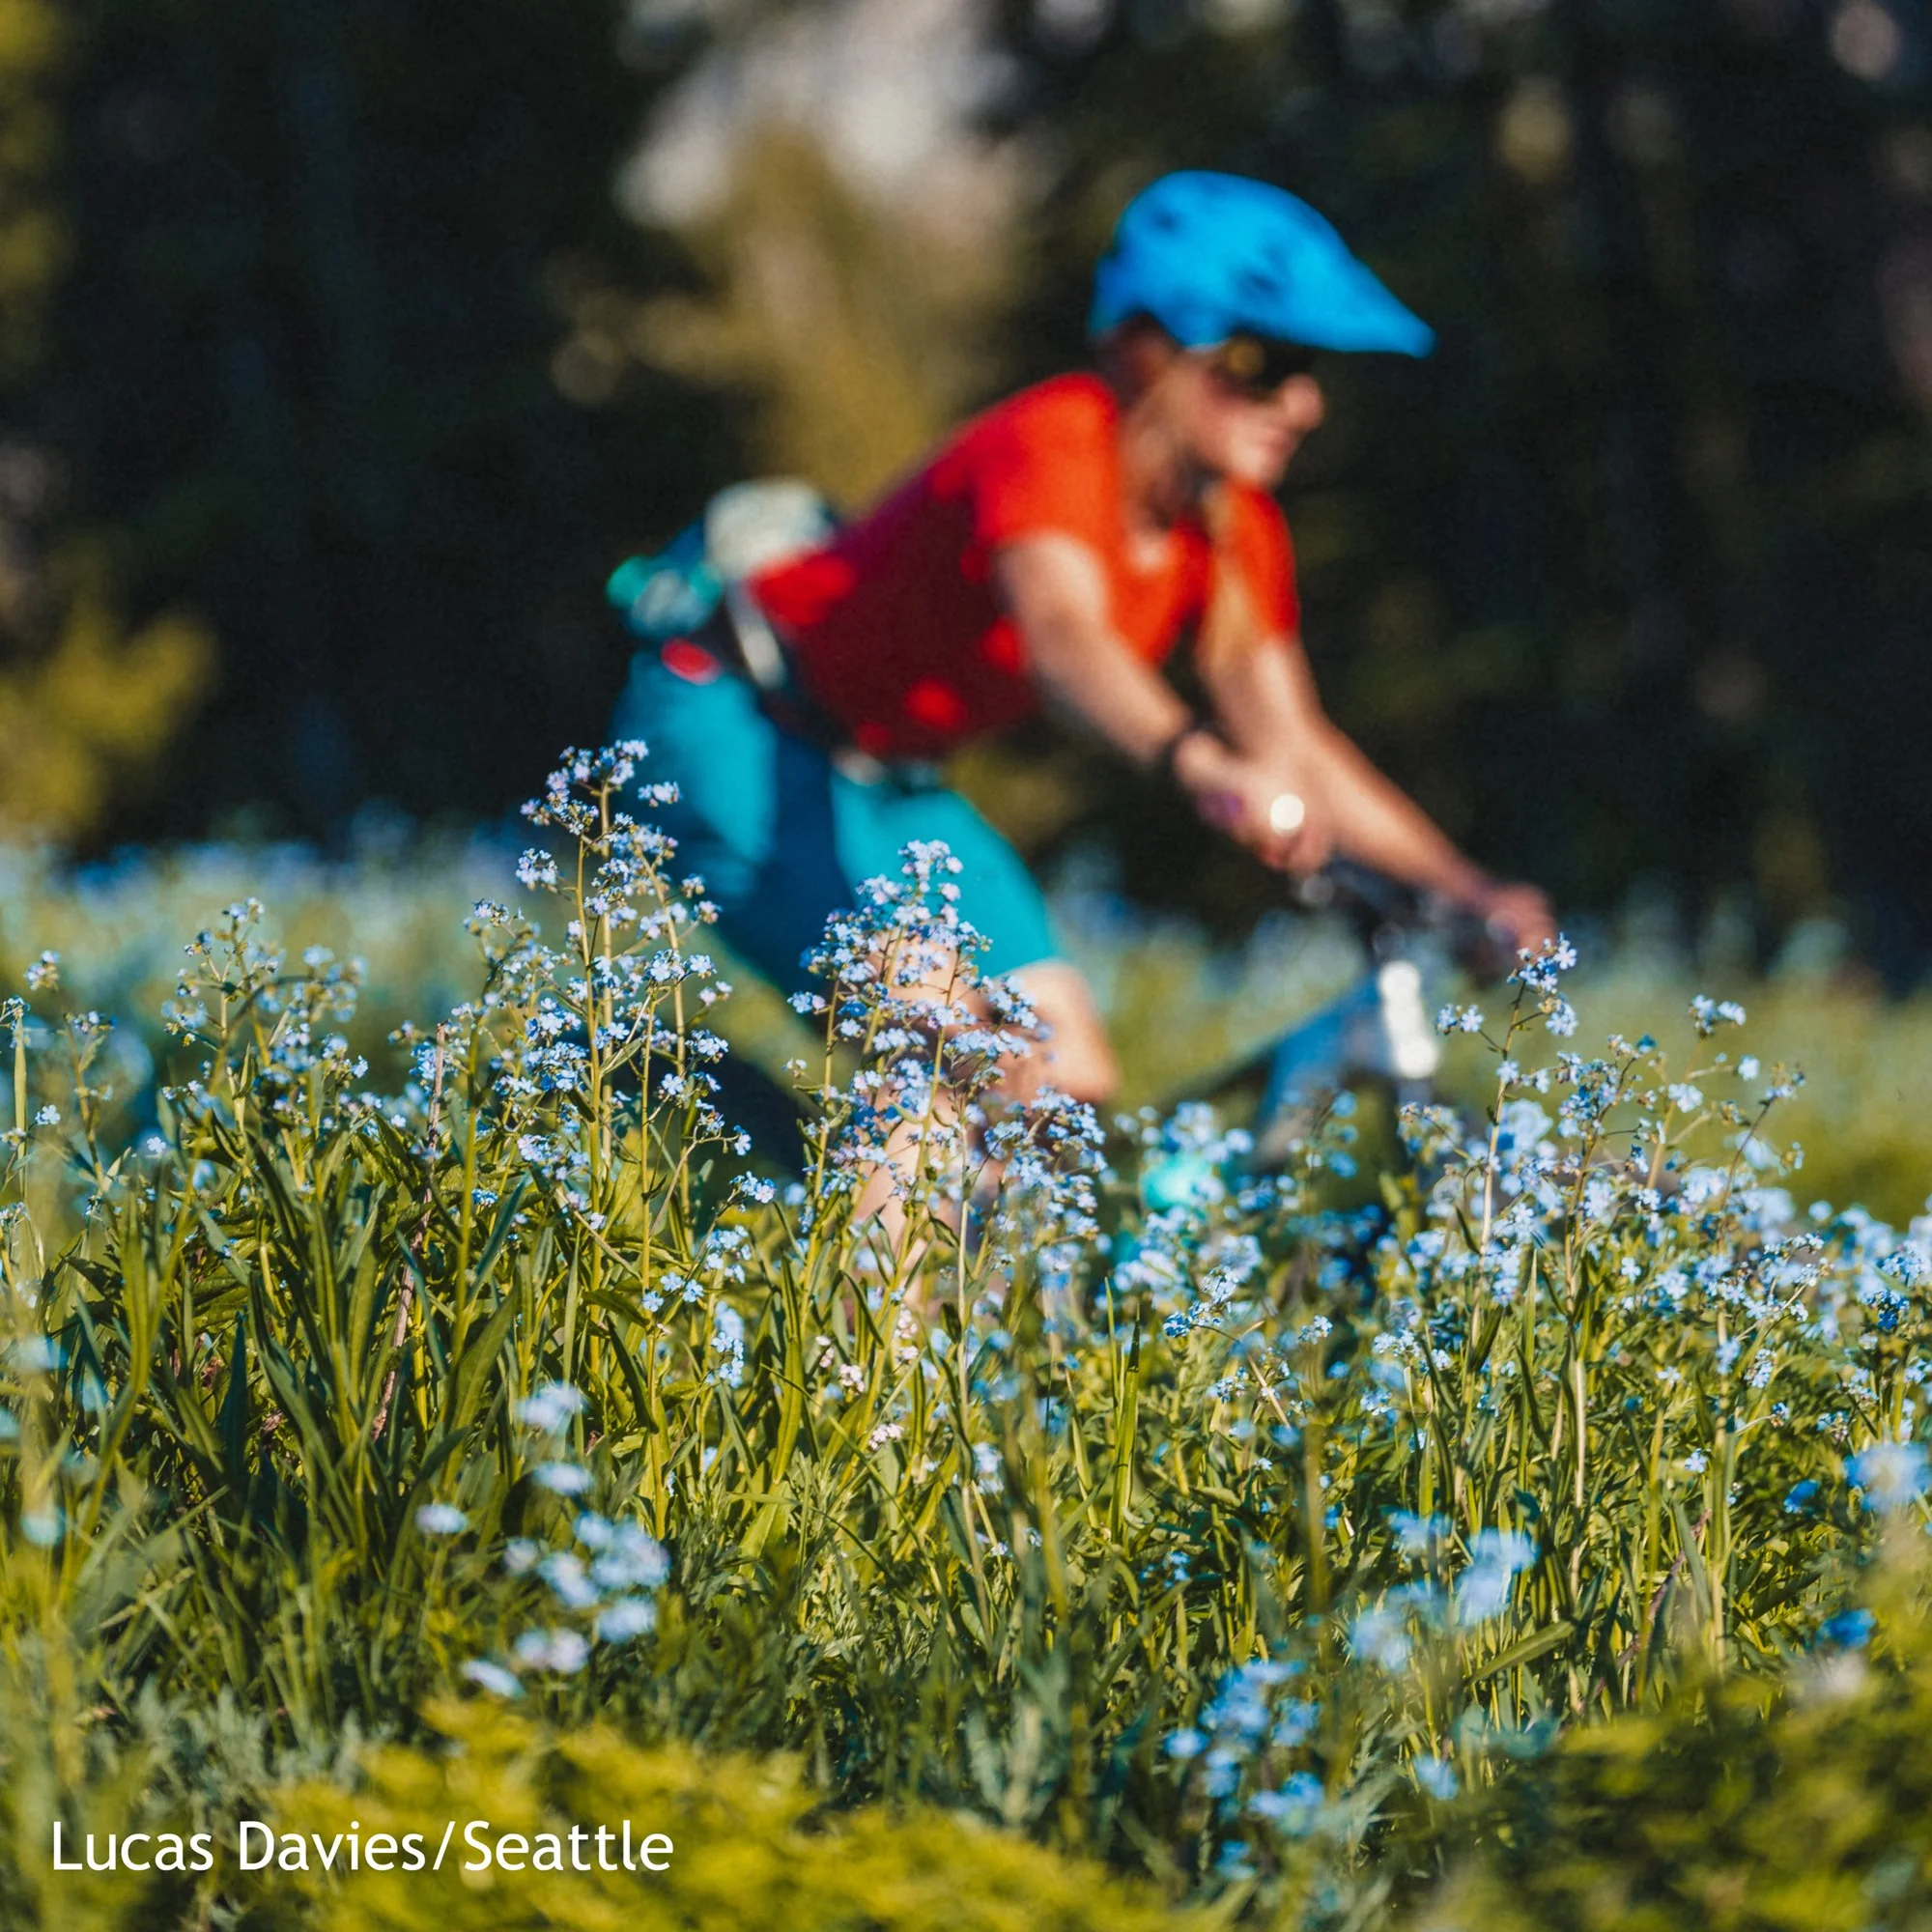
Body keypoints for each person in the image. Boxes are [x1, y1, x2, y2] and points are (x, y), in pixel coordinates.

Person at [608, 169, 1553, 1111]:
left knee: (1065, 1083)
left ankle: (904, 1225)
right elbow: (1064, 638)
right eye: (1266, 363)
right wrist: (1202, 765)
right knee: (961, 1057)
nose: (1301, 404)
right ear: (1152, 350)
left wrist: (1466, 890)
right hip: (733, 717)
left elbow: (1296, 745)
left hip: (889, 779)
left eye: (1311, 374)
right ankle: (792, 1220)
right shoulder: (1057, 442)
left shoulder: (1228, 527)